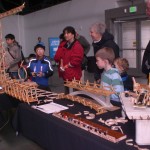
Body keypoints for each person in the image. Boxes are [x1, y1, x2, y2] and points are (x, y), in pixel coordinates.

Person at [54, 26, 84, 93]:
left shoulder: (77, 46)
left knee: (75, 94)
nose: (65, 35)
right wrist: (61, 64)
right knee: (67, 93)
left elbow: (76, 60)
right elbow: (58, 57)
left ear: (73, 34)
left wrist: (65, 66)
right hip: (65, 74)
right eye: (65, 33)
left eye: (68, 33)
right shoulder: (64, 44)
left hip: (74, 75)